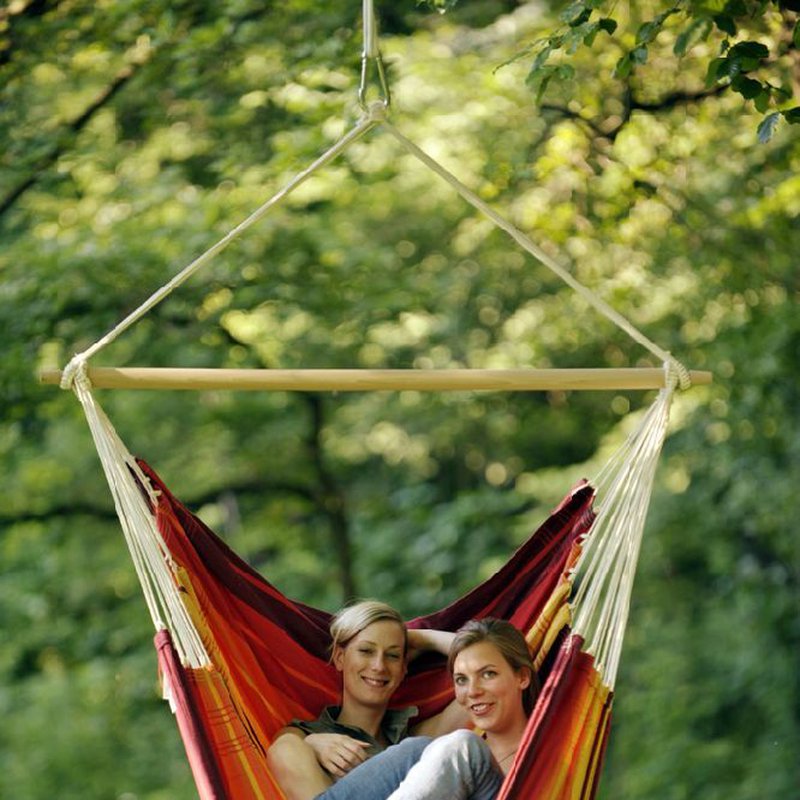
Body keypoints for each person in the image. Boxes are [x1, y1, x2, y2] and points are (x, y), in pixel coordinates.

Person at [309, 617, 538, 800]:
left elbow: (484, 650)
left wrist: (416, 638)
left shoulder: (553, 749)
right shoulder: (441, 759)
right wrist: (311, 742)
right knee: (420, 747)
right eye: (460, 680)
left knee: (462, 745)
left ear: (522, 677)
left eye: (488, 674)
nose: (473, 691)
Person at [266, 599, 468, 800]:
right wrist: (311, 743)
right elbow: (283, 750)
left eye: (393, 655)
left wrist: (421, 638)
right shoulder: (303, 737)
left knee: (463, 747)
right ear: (339, 657)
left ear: (403, 668)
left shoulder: (413, 738)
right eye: (366, 651)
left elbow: (485, 665)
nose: (379, 666)